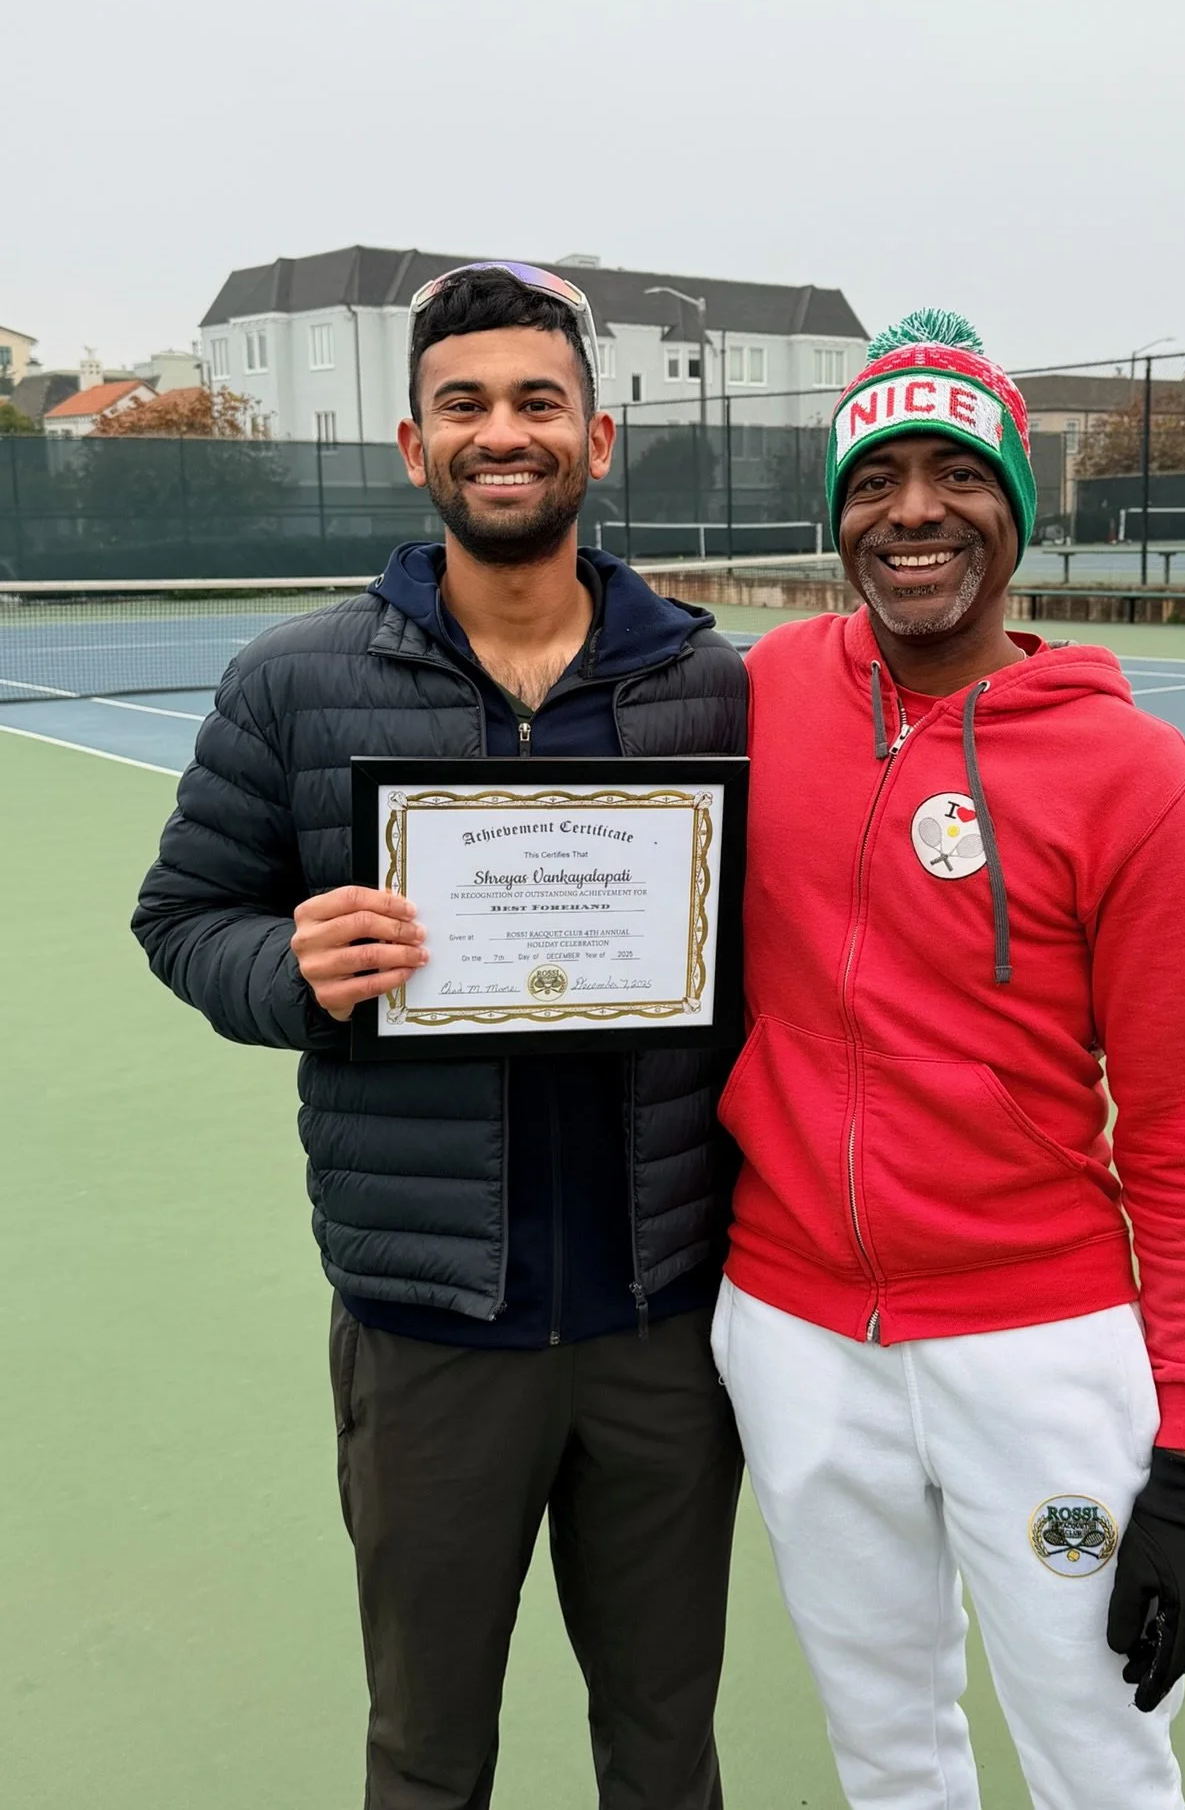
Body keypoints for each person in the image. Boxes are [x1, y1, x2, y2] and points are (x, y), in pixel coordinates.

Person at [132, 263, 746, 1810]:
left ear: (597, 438)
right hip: (428, 1332)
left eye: (539, 401)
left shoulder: (709, 684)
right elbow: (185, 916)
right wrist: (291, 967)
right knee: (425, 1755)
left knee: (666, 1750)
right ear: (415, 445)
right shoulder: (291, 682)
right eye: (463, 405)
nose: (503, 432)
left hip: (665, 1327)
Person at [711, 309, 1185, 1810]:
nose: (914, 513)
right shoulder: (761, 692)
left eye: (957, 474)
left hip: (1039, 1347)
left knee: (1101, 1760)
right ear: (838, 517)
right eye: (876, 480)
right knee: (886, 1752)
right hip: (795, 1332)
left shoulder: (1132, 775)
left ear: (1017, 505)